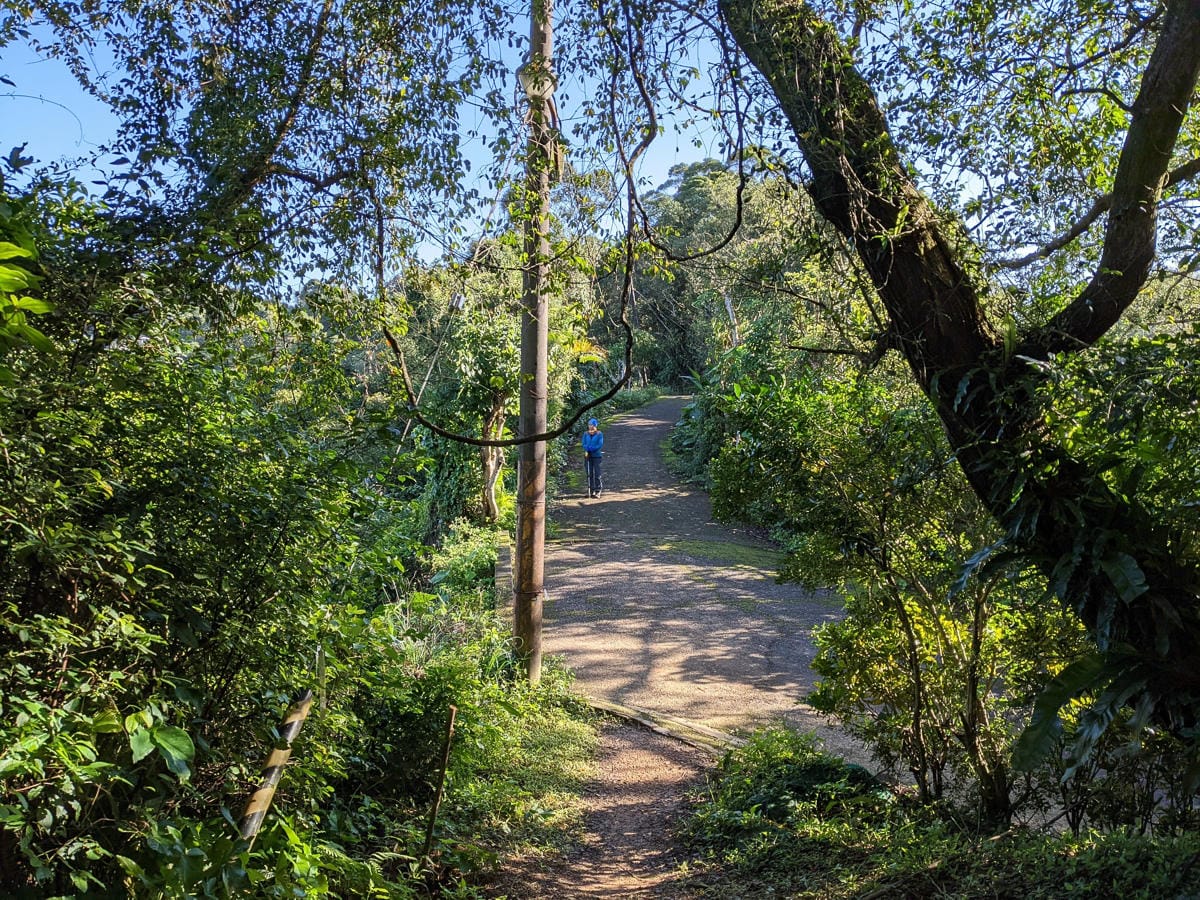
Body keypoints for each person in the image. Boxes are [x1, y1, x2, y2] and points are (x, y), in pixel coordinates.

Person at [581, 417, 604, 498]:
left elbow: (600, 444)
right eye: (589, 424)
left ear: (595, 425)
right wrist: (586, 448)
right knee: (589, 473)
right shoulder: (585, 434)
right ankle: (591, 490)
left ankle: (598, 490)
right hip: (587, 456)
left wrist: (592, 448)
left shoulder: (599, 434)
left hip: (596, 456)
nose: (590, 426)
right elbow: (583, 443)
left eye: (591, 424)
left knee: (597, 474)